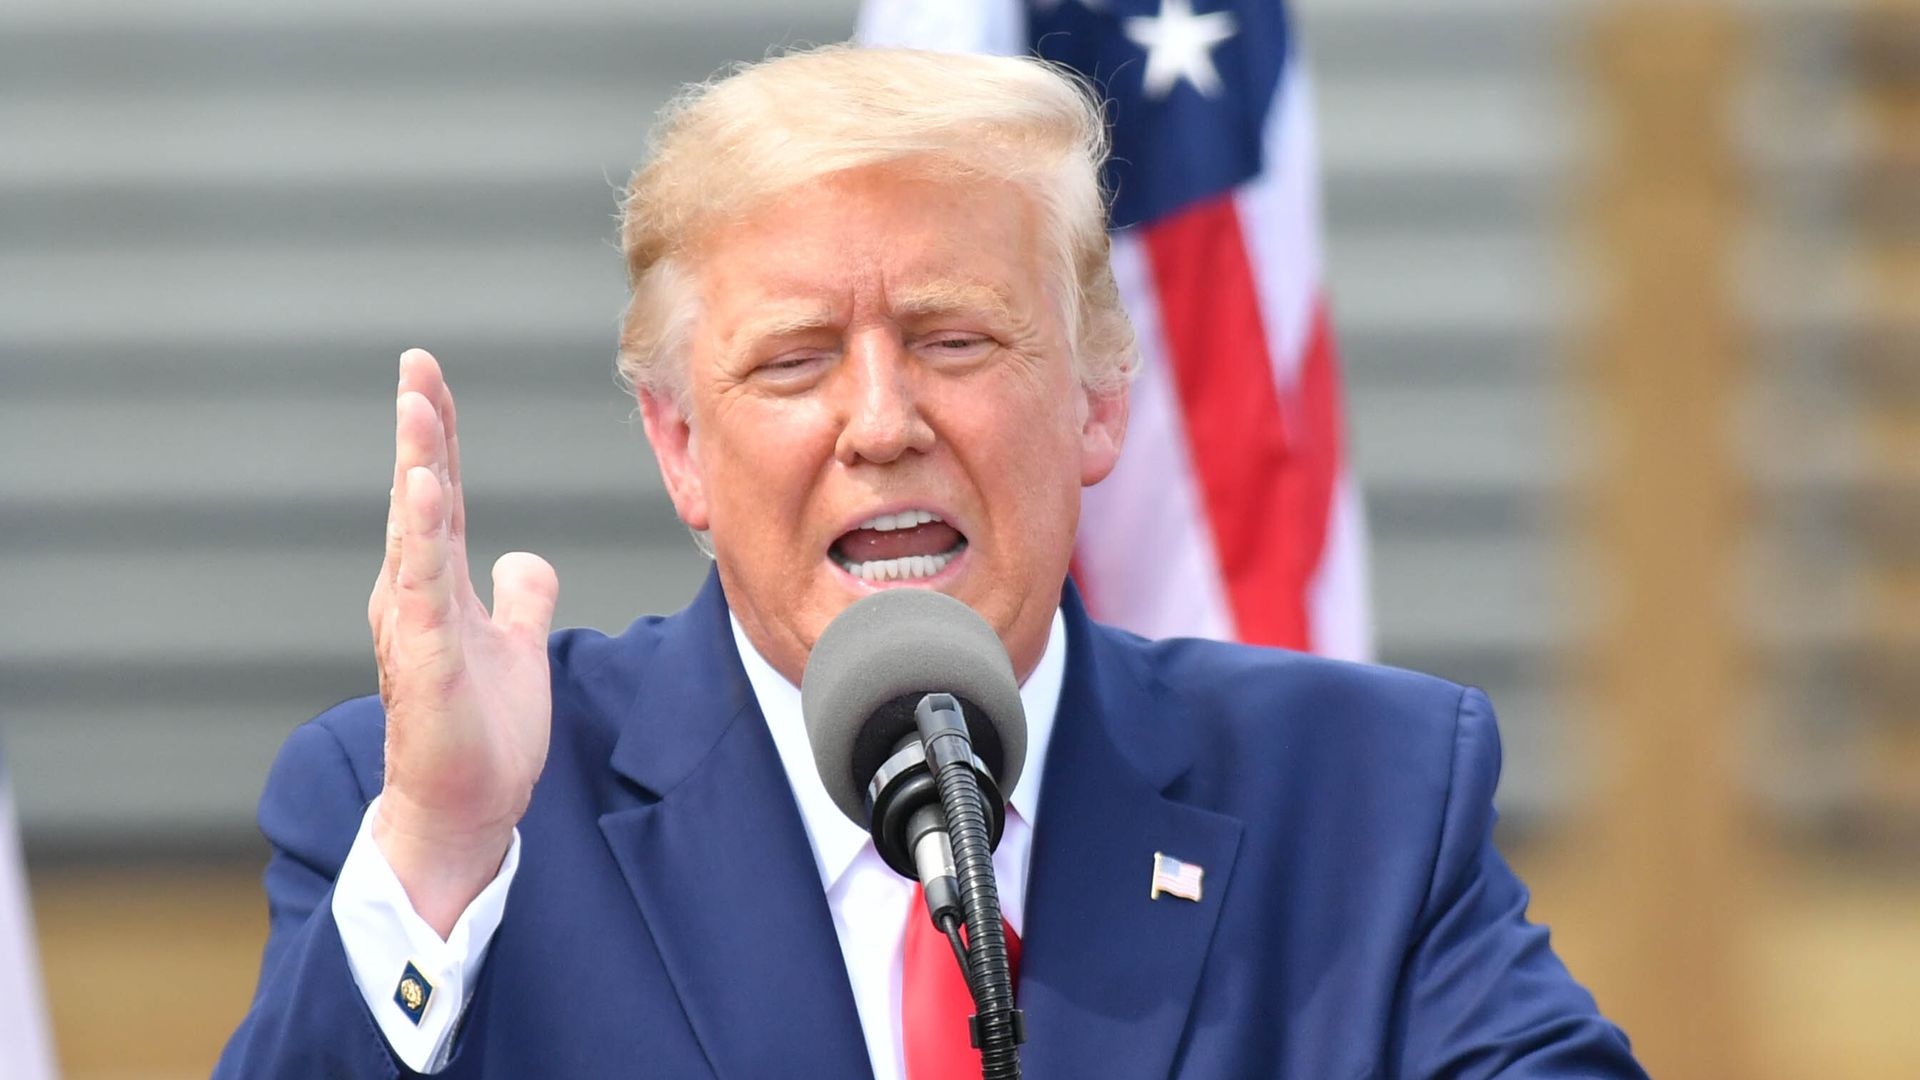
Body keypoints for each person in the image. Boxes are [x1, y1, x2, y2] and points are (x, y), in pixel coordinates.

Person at [215, 45, 1645, 1079]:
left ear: (1098, 397)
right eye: (793, 362)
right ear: (679, 449)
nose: (884, 422)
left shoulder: (1359, 796)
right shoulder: (433, 814)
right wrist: (444, 855)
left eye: (956, 340)